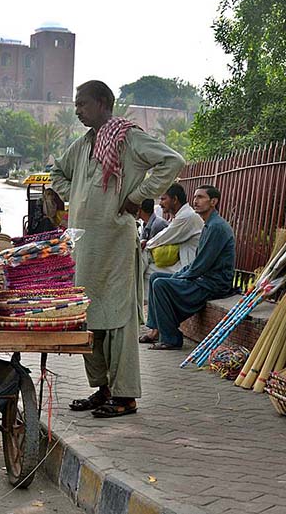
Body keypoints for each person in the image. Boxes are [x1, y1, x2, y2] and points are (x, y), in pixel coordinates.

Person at [51, 80, 184, 418]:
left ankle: (125, 396)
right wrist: (74, 191)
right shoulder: (83, 145)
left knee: (119, 319)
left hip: (115, 245)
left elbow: (171, 161)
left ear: (103, 102)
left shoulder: (128, 139)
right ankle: (103, 388)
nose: (78, 110)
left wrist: (137, 196)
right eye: (76, 105)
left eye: (83, 104)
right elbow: (57, 173)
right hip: (84, 247)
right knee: (88, 317)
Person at [143, 186, 236, 350]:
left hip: (213, 284)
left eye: (201, 197)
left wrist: (179, 277)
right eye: (195, 197)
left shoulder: (217, 227)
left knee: (161, 285)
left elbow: (202, 264)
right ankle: (156, 329)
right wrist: (180, 275)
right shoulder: (209, 224)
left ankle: (171, 338)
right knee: (155, 277)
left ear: (213, 202)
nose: (195, 201)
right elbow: (198, 263)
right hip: (203, 278)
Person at [139, 183, 204, 304]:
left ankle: (136, 298)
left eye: (163, 199)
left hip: (190, 268)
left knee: (143, 257)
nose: (161, 203)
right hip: (182, 263)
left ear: (174, 200)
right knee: (145, 267)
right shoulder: (179, 216)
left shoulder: (187, 217)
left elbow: (163, 238)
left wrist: (144, 244)